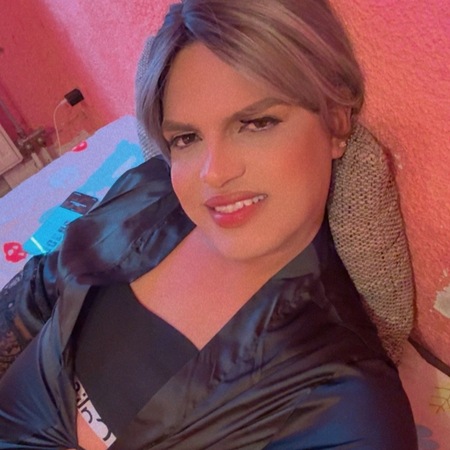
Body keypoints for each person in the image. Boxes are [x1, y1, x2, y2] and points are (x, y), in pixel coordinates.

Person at [0, 0, 418, 448]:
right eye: (187, 138)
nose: (212, 174)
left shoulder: (346, 405)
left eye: (256, 123)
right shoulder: (149, 192)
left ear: (335, 122)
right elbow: (37, 293)